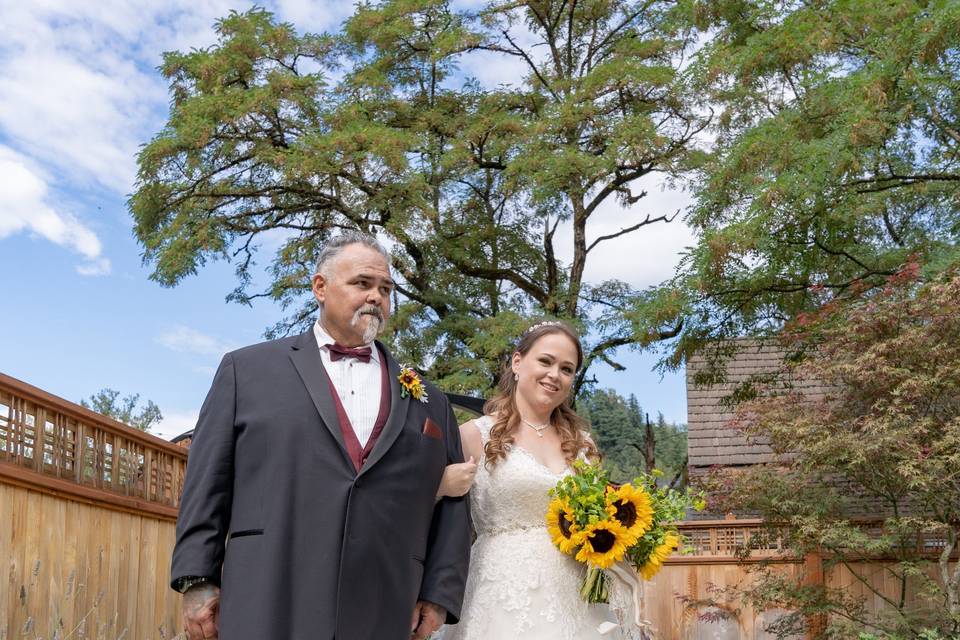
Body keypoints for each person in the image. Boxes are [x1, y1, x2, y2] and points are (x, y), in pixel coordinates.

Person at [170, 231, 472, 640]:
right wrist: (197, 579)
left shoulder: (429, 401)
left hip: (385, 604)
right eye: (362, 283)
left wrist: (438, 595)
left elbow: (454, 507)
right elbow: (207, 484)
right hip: (269, 595)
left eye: (385, 289)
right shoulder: (246, 371)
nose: (376, 298)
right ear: (320, 287)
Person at [437, 320, 625, 640]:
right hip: (501, 593)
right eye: (546, 361)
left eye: (567, 369)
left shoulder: (583, 445)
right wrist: (439, 486)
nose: (555, 375)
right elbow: (436, 518)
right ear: (517, 362)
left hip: (576, 595)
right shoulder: (473, 435)